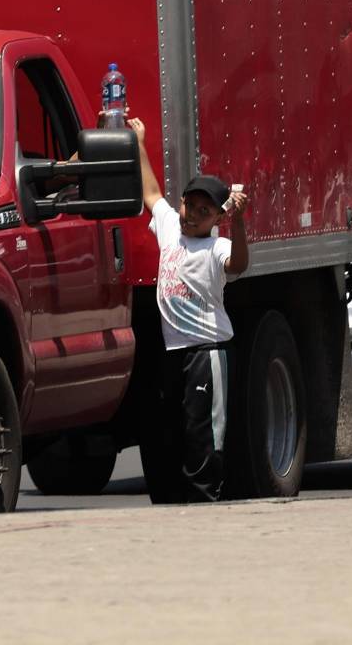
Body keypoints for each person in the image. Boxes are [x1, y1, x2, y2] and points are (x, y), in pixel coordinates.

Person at [128, 116, 249, 501]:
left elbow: (239, 266)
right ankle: (175, 503)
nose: (193, 215)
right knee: (172, 428)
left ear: (218, 218)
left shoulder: (217, 247)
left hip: (207, 352)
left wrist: (241, 224)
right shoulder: (170, 228)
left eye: (204, 211)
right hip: (173, 352)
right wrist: (140, 144)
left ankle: (206, 499)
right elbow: (150, 193)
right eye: (190, 205)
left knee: (204, 433)